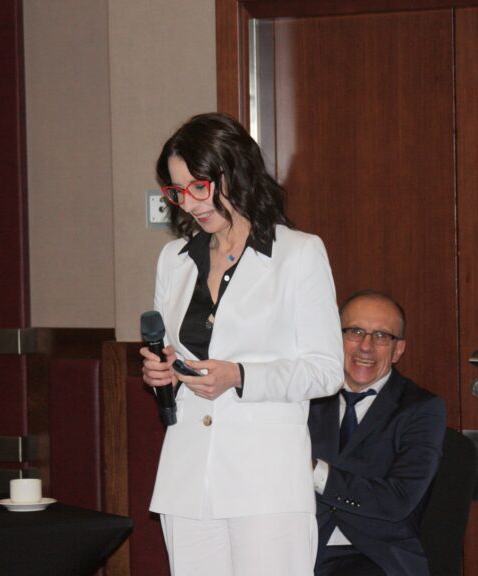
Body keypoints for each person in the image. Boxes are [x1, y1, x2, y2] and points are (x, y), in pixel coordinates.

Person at [140, 112, 344, 576]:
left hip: (265, 480)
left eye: (199, 187)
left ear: (235, 171)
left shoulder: (298, 253)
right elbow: (172, 357)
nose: (190, 203)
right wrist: (163, 372)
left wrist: (240, 376)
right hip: (188, 477)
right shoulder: (173, 259)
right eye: (177, 191)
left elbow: (326, 370)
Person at [308, 290, 446, 576]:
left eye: (382, 336)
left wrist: (314, 471)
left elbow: (398, 499)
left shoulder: (421, 409)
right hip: (298, 545)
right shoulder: (306, 396)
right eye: (355, 332)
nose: (366, 346)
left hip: (374, 555)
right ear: (335, 338)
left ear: (398, 350)